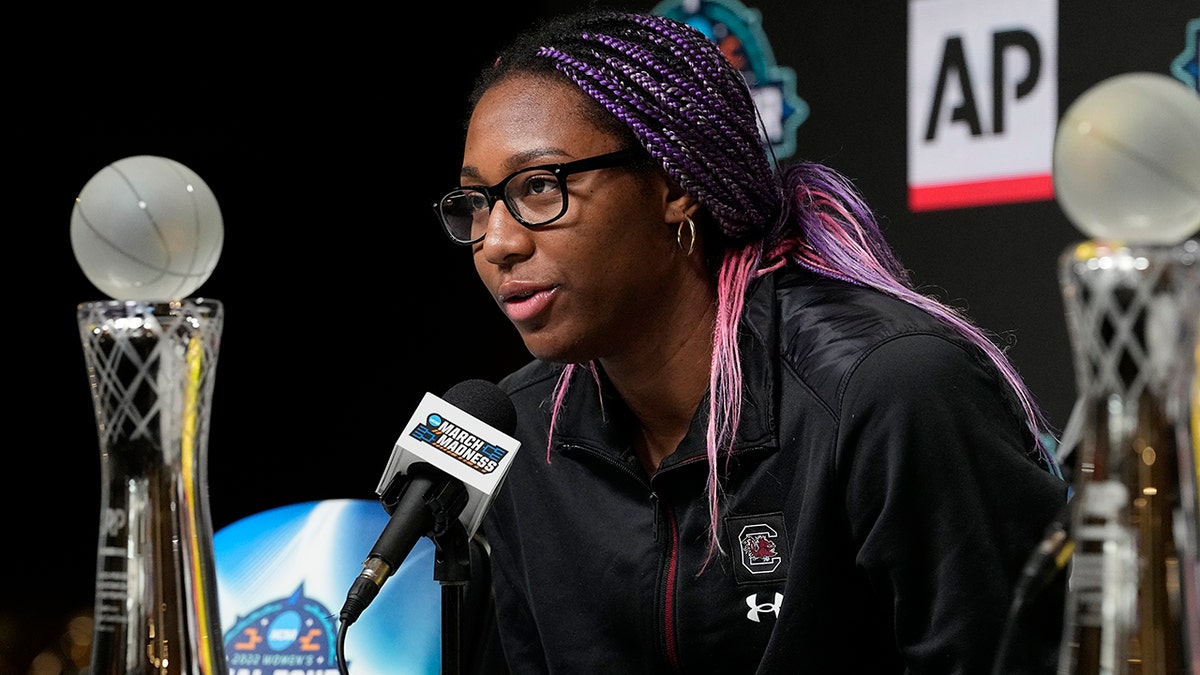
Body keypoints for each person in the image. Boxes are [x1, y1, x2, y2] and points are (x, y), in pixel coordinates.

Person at [431, 8, 1070, 673]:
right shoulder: (520, 429)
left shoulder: (888, 390)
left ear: (673, 185)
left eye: (540, 187)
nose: (498, 242)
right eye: (477, 203)